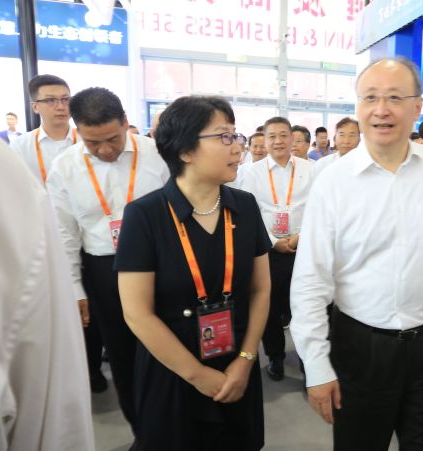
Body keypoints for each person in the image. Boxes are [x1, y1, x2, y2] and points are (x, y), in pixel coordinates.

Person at [290, 57, 423, 451]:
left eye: (394, 97)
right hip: (361, 346)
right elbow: (310, 278)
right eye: (370, 97)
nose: (381, 109)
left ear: (417, 106)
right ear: (358, 106)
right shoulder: (333, 181)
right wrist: (316, 364)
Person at [114, 95, 271, 451]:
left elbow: (260, 290)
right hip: (172, 370)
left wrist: (246, 360)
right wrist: (197, 375)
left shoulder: (244, 206)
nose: (238, 147)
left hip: (236, 365)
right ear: (185, 150)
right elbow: (137, 313)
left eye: (236, 135)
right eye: (224, 136)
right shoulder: (145, 215)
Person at [46, 87, 170, 440]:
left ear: (126, 123)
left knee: (168, 348)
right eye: (92, 142)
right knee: (122, 355)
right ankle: (143, 435)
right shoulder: (65, 167)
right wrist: (75, 288)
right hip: (104, 271)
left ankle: (174, 429)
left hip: (161, 266)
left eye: (112, 139)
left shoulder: (158, 155)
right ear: (78, 132)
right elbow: (65, 234)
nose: (104, 150)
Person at [0, 138, 94, 451]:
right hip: (89, 260)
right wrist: (76, 285)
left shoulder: (6, 178)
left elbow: (52, 402)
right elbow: (65, 228)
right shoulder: (35, 159)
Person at [242, 116, 314, 382]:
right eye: (272, 136)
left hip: (303, 249)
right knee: (269, 308)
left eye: (284, 135)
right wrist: (274, 241)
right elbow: (250, 212)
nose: (278, 141)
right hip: (268, 251)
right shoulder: (252, 172)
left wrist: (299, 237)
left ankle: (308, 362)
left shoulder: (310, 169)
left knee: (304, 307)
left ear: (292, 138)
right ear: (265, 139)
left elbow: (318, 208)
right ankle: (275, 356)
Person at [11, 75, 78, 184]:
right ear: (35, 107)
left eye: (65, 99)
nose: (60, 107)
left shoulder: (87, 140)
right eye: (50, 100)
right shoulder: (20, 146)